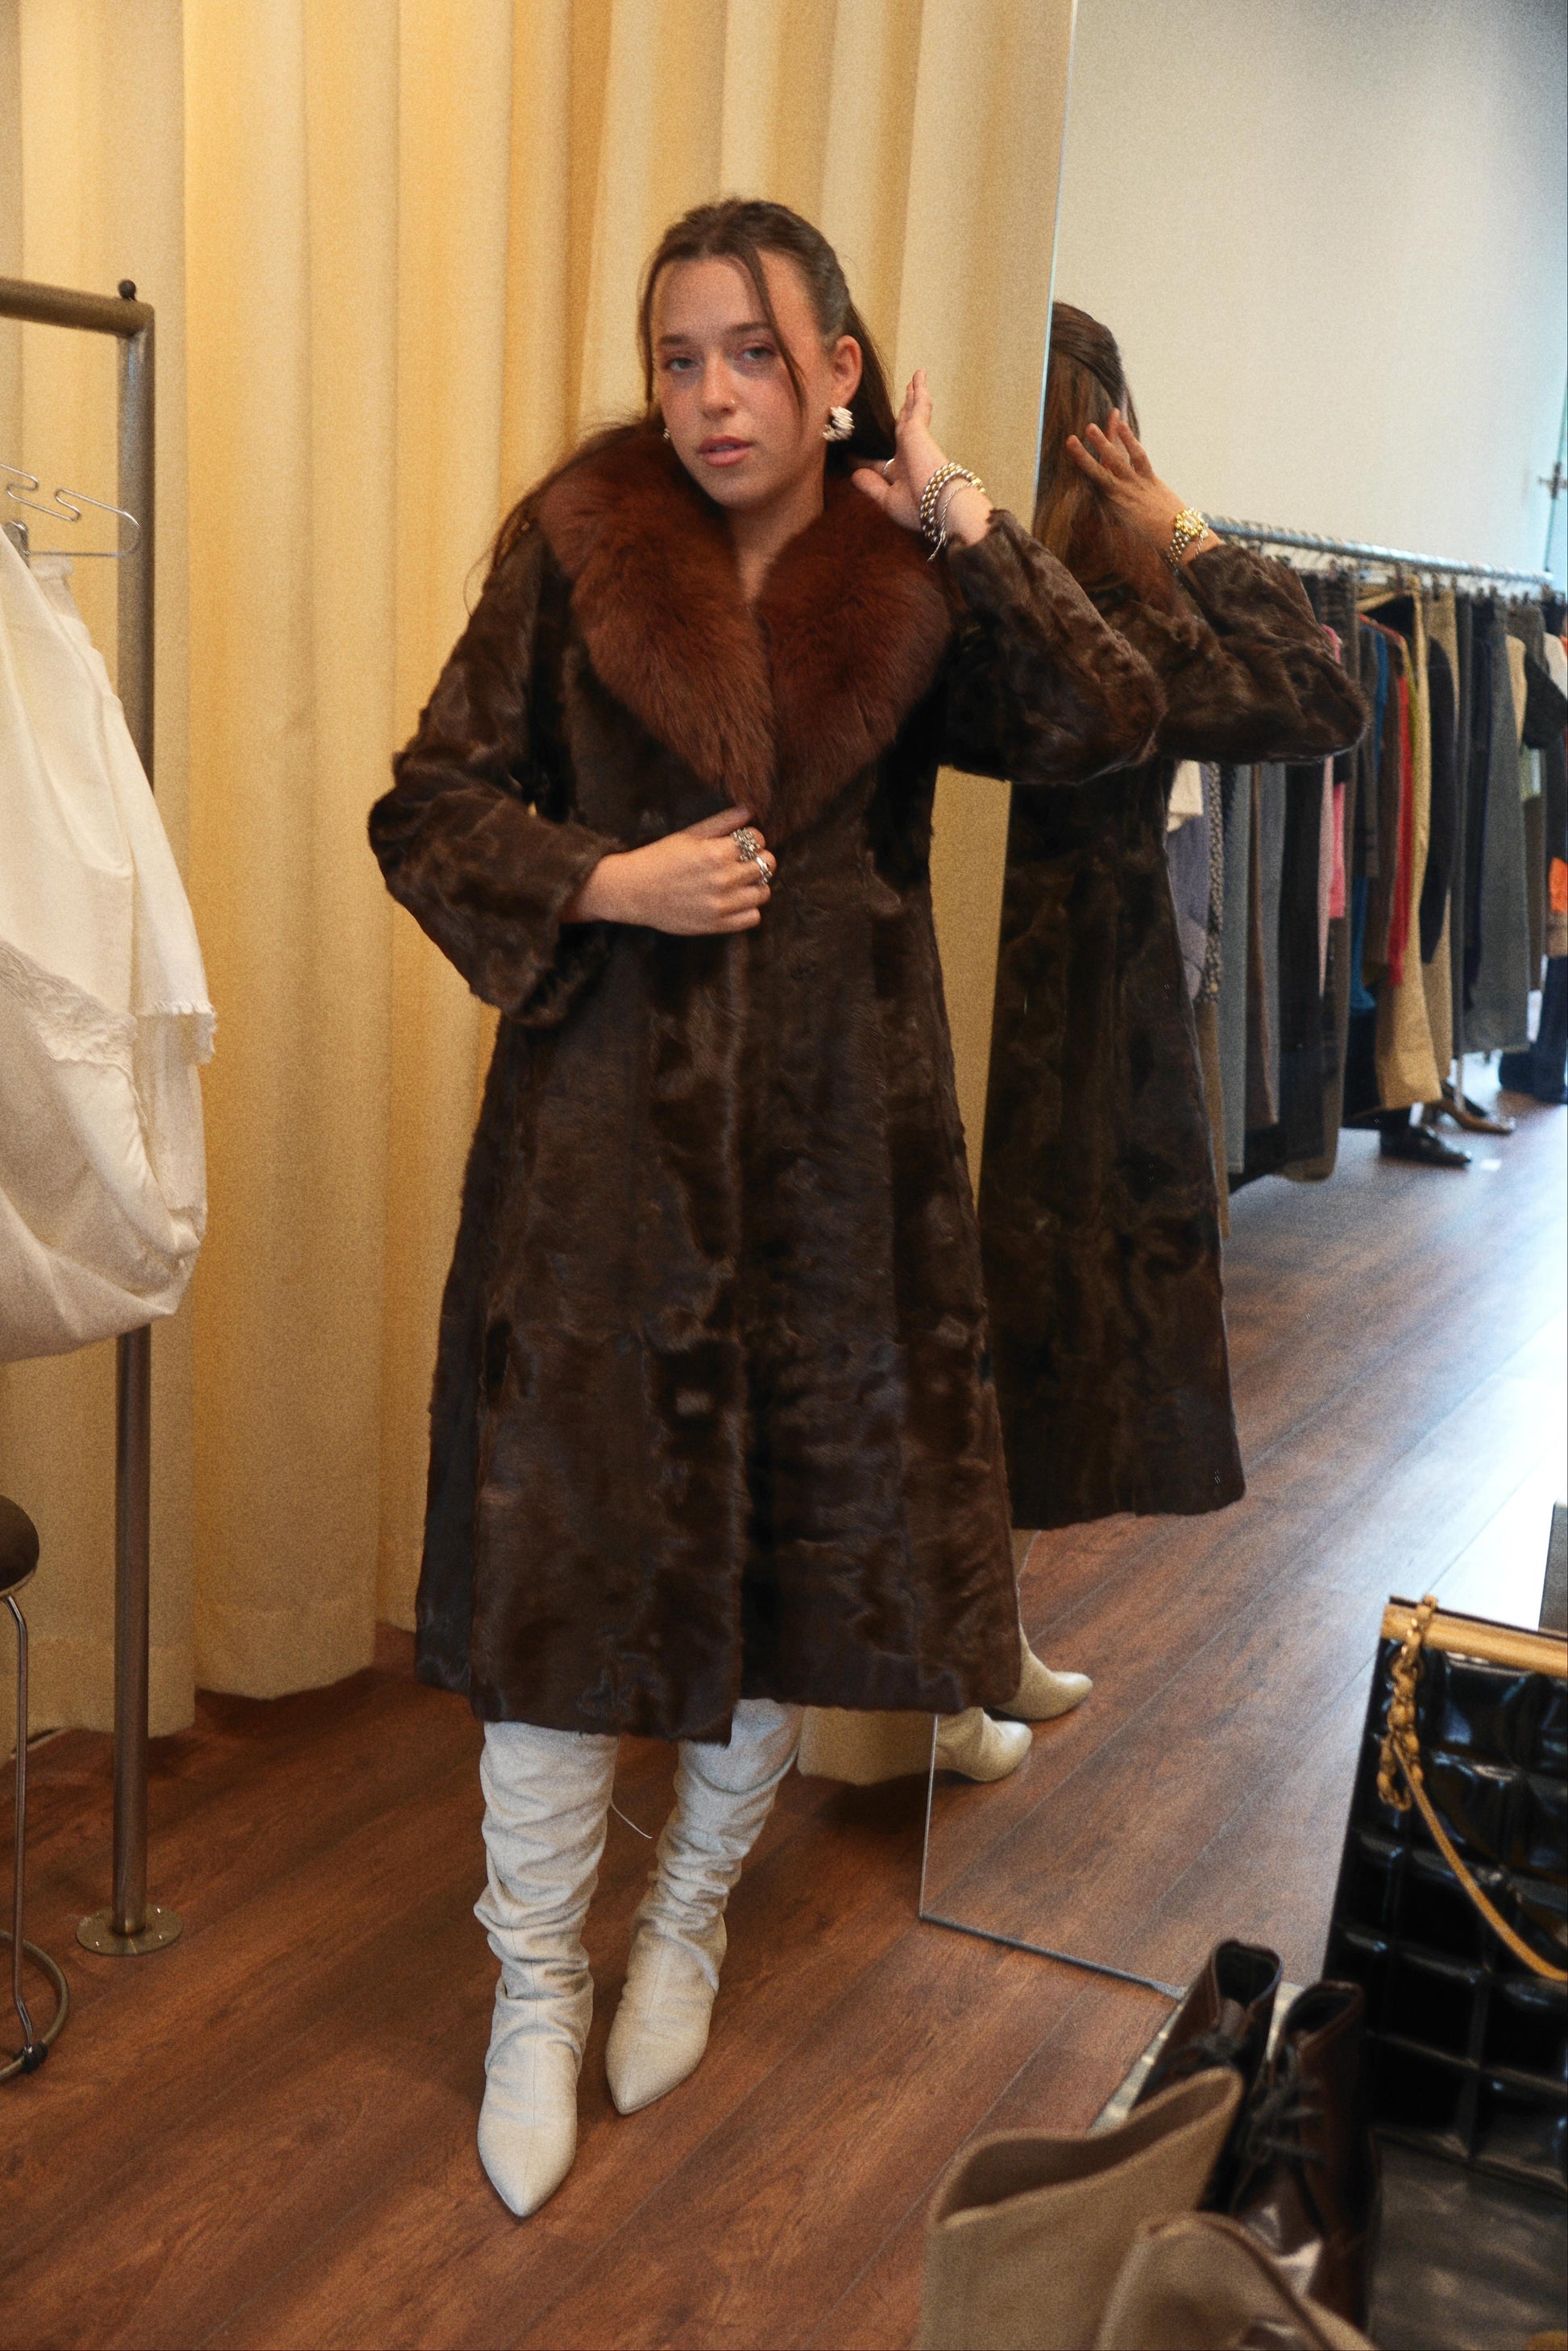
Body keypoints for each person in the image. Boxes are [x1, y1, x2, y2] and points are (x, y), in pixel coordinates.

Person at [368, 201, 1164, 2219]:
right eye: (676, 357)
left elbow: (1105, 721)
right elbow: (425, 805)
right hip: (597, 1175)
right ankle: (534, 1987)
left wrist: (965, 517)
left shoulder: (906, 574)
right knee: (563, 1591)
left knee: (783, 1573)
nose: (710, 396)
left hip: (836, 1170)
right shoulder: (574, 550)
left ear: (836, 370)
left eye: (750, 353)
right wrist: (601, 881)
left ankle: (688, 1916)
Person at [976, 305, 1369, 1550]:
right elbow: (1320, 690)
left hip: (981, 1000)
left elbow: (1320, 697)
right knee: (1026, 1344)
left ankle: (968, 1636)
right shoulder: (1121, 617)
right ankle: (974, 1634)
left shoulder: (970, 600)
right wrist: (1183, 529)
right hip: (1076, 1024)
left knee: (961, 1333)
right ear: (1107, 443)